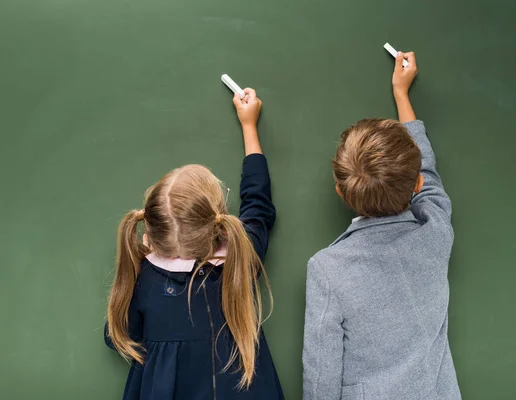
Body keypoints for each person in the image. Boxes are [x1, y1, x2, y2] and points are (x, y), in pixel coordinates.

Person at [104, 89, 284, 400]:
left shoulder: (144, 280)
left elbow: (116, 336)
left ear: (151, 232)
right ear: (216, 221)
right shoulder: (241, 258)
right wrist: (249, 126)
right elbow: (258, 206)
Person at [303, 52, 461, 400]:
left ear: (340, 194)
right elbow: (428, 176)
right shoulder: (435, 233)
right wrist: (402, 94)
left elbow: (321, 380)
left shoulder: (327, 270)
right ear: (416, 185)